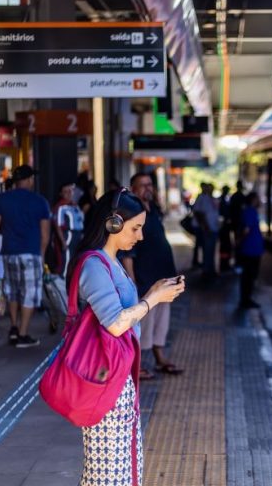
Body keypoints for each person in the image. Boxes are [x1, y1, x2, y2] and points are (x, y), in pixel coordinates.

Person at [67, 188, 185, 486]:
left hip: (117, 378)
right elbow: (116, 324)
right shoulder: (94, 265)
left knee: (122, 470)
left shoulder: (111, 262)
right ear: (113, 224)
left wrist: (151, 292)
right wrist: (153, 299)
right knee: (107, 475)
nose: (140, 236)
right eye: (136, 228)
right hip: (104, 381)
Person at [122, 174, 183, 378]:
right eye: (143, 185)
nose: (148, 188)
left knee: (161, 321)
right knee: (142, 324)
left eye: (150, 185)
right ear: (133, 188)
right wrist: (132, 282)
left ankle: (159, 357)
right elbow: (128, 253)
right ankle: (135, 366)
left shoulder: (153, 210)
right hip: (144, 278)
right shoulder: (132, 212)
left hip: (162, 274)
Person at [0, 165, 50, 348]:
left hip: (9, 253)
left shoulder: (3, 200)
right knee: (29, 293)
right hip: (31, 253)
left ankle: (13, 327)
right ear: (29, 180)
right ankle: (23, 334)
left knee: (12, 290)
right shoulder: (40, 201)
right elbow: (45, 234)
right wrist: (42, 254)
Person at [52, 182, 85, 278]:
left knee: (76, 257)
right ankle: (63, 278)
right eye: (65, 191)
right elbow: (57, 225)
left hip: (78, 235)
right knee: (67, 258)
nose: (68, 193)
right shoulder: (61, 207)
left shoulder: (75, 206)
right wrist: (63, 242)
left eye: (70, 191)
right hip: (68, 235)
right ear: (61, 194)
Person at [238, 192, 265, 309]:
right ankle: (245, 300)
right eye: (258, 198)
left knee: (249, 276)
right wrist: (239, 242)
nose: (259, 201)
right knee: (249, 276)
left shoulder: (250, 211)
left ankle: (246, 299)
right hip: (251, 250)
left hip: (252, 249)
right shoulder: (250, 211)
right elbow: (246, 230)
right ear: (253, 199)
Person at [193, 182, 220, 278]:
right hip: (208, 229)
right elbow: (200, 214)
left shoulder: (212, 199)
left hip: (213, 228)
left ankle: (210, 270)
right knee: (207, 250)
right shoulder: (203, 198)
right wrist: (206, 227)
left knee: (211, 250)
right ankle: (207, 271)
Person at [228, 180, 246, 270]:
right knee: (240, 242)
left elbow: (230, 210)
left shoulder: (234, 196)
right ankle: (239, 262)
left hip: (236, 223)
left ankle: (237, 261)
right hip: (239, 223)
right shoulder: (242, 197)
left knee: (237, 242)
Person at [218, 185, 233, 271]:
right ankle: (224, 264)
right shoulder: (222, 200)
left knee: (226, 246)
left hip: (225, 226)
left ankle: (225, 263)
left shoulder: (224, 200)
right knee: (225, 246)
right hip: (224, 227)